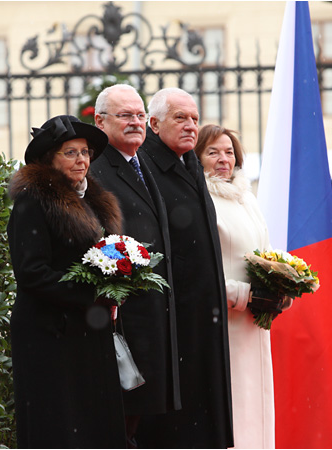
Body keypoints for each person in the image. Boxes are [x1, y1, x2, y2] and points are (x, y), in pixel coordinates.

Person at [7, 115, 126, 449]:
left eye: (85, 152)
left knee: (93, 422)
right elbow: (31, 273)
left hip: (89, 331)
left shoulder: (93, 200)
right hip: (49, 333)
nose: (82, 160)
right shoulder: (33, 200)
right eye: (70, 152)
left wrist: (122, 280)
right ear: (50, 159)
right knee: (58, 424)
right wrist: (92, 294)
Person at [136, 88, 234, 449]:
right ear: (155, 123)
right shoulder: (145, 166)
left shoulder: (190, 163)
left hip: (205, 315)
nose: (191, 125)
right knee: (179, 425)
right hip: (175, 318)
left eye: (194, 118)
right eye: (181, 118)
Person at [91, 84, 181, 448]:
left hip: (155, 314)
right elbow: (97, 241)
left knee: (148, 424)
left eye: (140, 115)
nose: (135, 122)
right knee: (125, 421)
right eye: (125, 115)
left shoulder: (141, 162)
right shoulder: (97, 169)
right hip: (127, 315)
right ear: (100, 121)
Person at [194, 124, 292, 449]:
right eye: (213, 152)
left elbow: (264, 252)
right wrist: (240, 294)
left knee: (258, 404)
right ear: (197, 157)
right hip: (224, 321)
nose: (223, 159)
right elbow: (199, 270)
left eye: (228, 151)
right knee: (235, 408)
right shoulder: (200, 200)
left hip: (255, 322)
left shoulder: (247, 197)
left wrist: (281, 286)